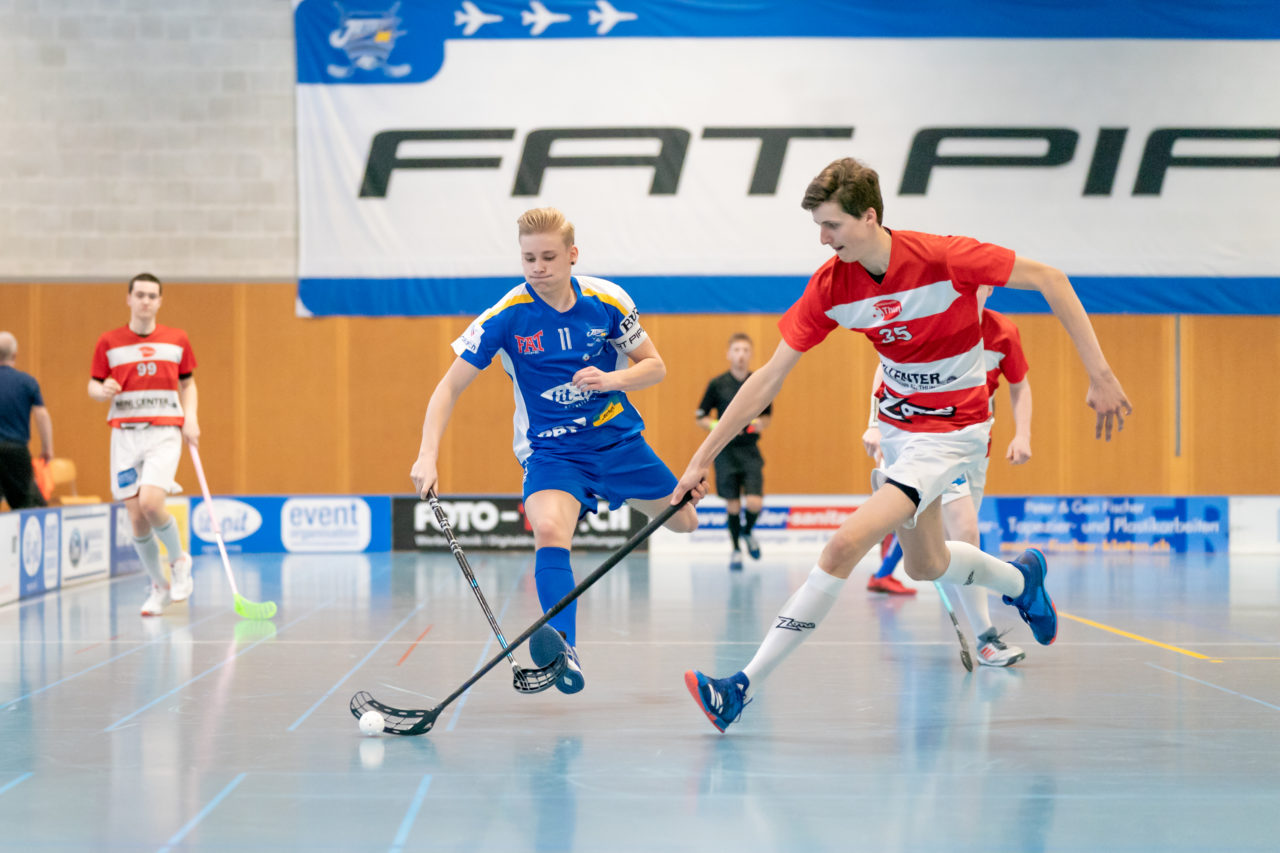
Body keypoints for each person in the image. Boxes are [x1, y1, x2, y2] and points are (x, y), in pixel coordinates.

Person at [674, 157, 1131, 732]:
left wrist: (1102, 374)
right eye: (817, 226)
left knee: (844, 544)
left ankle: (739, 688)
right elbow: (768, 376)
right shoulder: (833, 286)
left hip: (954, 433)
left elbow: (1052, 280)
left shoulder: (945, 258)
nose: (823, 238)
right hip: (897, 430)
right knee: (926, 564)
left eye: (832, 225)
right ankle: (1022, 581)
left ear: (869, 216)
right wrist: (697, 462)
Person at [409, 207, 705, 695]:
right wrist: (427, 454)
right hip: (551, 453)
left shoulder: (608, 301)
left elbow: (655, 368)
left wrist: (612, 379)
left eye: (548, 257)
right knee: (549, 528)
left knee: (685, 521)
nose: (538, 268)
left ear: (572, 255)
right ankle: (563, 651)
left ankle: (624, 497)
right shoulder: (505, 317)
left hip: (619, 443)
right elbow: (447, 389)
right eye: (528, 258)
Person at [863, 285, 1033, 666]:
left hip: (978, 448)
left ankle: (991, 622)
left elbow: (1020, 385)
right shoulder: (933, 321)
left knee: (953, 543)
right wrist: (874, 423)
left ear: (989, 289)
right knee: (967, 533)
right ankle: (989, 636)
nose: (974, 291)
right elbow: (886, 366)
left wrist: (1023, 434)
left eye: (982, 285)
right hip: (933, 441)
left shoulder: (1003, 331)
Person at [88, 273, 198, 616]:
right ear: (129, 298)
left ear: (160, 301)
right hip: (125, 435)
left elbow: (188, 384)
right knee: (136, 517)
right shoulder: (109, 342)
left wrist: (191, 417)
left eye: (152, 296)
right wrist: (101, 390)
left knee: (151, 504)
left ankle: (179, 561)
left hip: (163, 431)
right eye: (140, 295)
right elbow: (92, 386)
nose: (146, 301)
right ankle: (159, 586)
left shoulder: (177, 339)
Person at [696, 333, 772, 569]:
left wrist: (758, 424)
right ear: (729, 354)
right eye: (736, 350)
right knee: (733, 505)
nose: (741, 355)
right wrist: (718, 426)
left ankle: (747, 532)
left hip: (749, 450)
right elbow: (700, 417)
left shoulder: (758, 382)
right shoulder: (718, 384)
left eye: (745, 350)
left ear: (750, 354)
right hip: (725, 450)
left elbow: (767, 417)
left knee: (754, 503)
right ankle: (736, 549)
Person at [0, 332, 54, 510]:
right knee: (27, 503)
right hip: (15, 451)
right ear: (14, 355)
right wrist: (47, 448)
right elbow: (42, 415)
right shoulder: (27, 382)